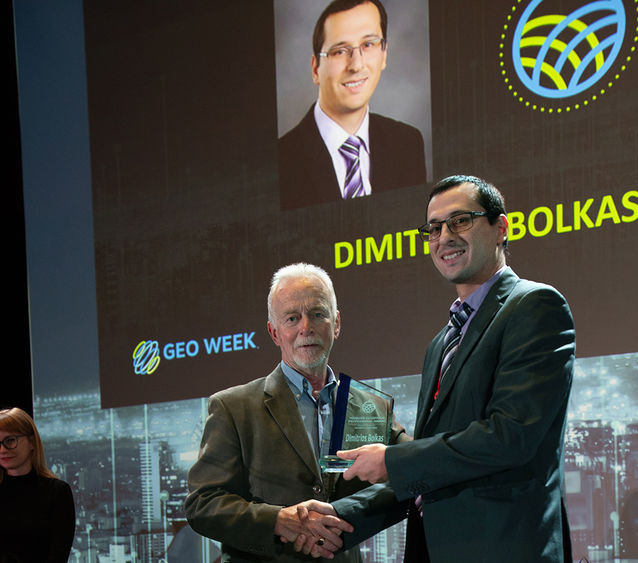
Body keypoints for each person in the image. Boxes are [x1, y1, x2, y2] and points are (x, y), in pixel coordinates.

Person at [319, 175, 576, 562]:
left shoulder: (534, 306)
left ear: (501, 227)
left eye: (460, 221)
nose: (444, 237)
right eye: (434, 228)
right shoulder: (440, 343)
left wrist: (391, 460)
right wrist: (338, 518)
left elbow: (510, 436)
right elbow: (431, 464)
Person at [184, 263, 407, 561]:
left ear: (336, 323)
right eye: (292, 318)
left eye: (318, 314)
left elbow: (413, 473)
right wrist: (277, 521)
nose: (306, 327)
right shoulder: (232, 408)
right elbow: (202, 504)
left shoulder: (374, 408)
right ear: (274, 332)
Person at [278, 0, 426, 210]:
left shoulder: (408, 144)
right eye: (339, 51)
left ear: (384, 54)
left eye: (368, 44)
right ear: (315, 69)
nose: (356, 65)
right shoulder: (280, 162)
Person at [0, 407, 76, 562]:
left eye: (10, 440)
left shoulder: (57, 493)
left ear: (32, 443)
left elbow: (58, 556)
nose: (2, 449)